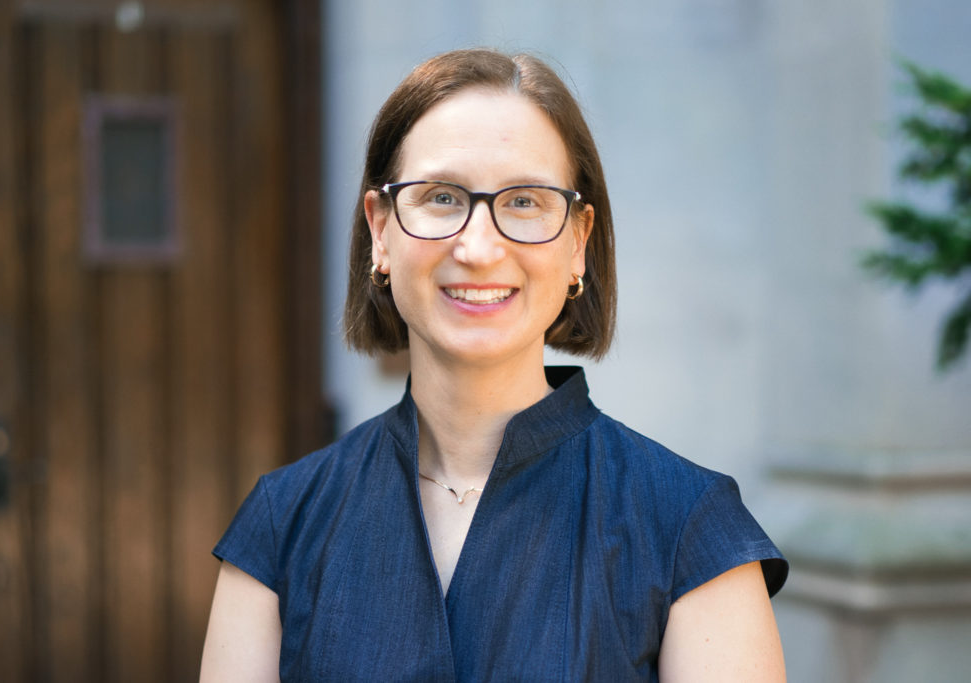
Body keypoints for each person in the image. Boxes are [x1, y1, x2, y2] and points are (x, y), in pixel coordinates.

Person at [200, 48, 788, 682]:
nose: (478, 247)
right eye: (442, 197)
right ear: (381, 231)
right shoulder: (282, 523)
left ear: (578, 244)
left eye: (526, 202)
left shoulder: (689, 532)